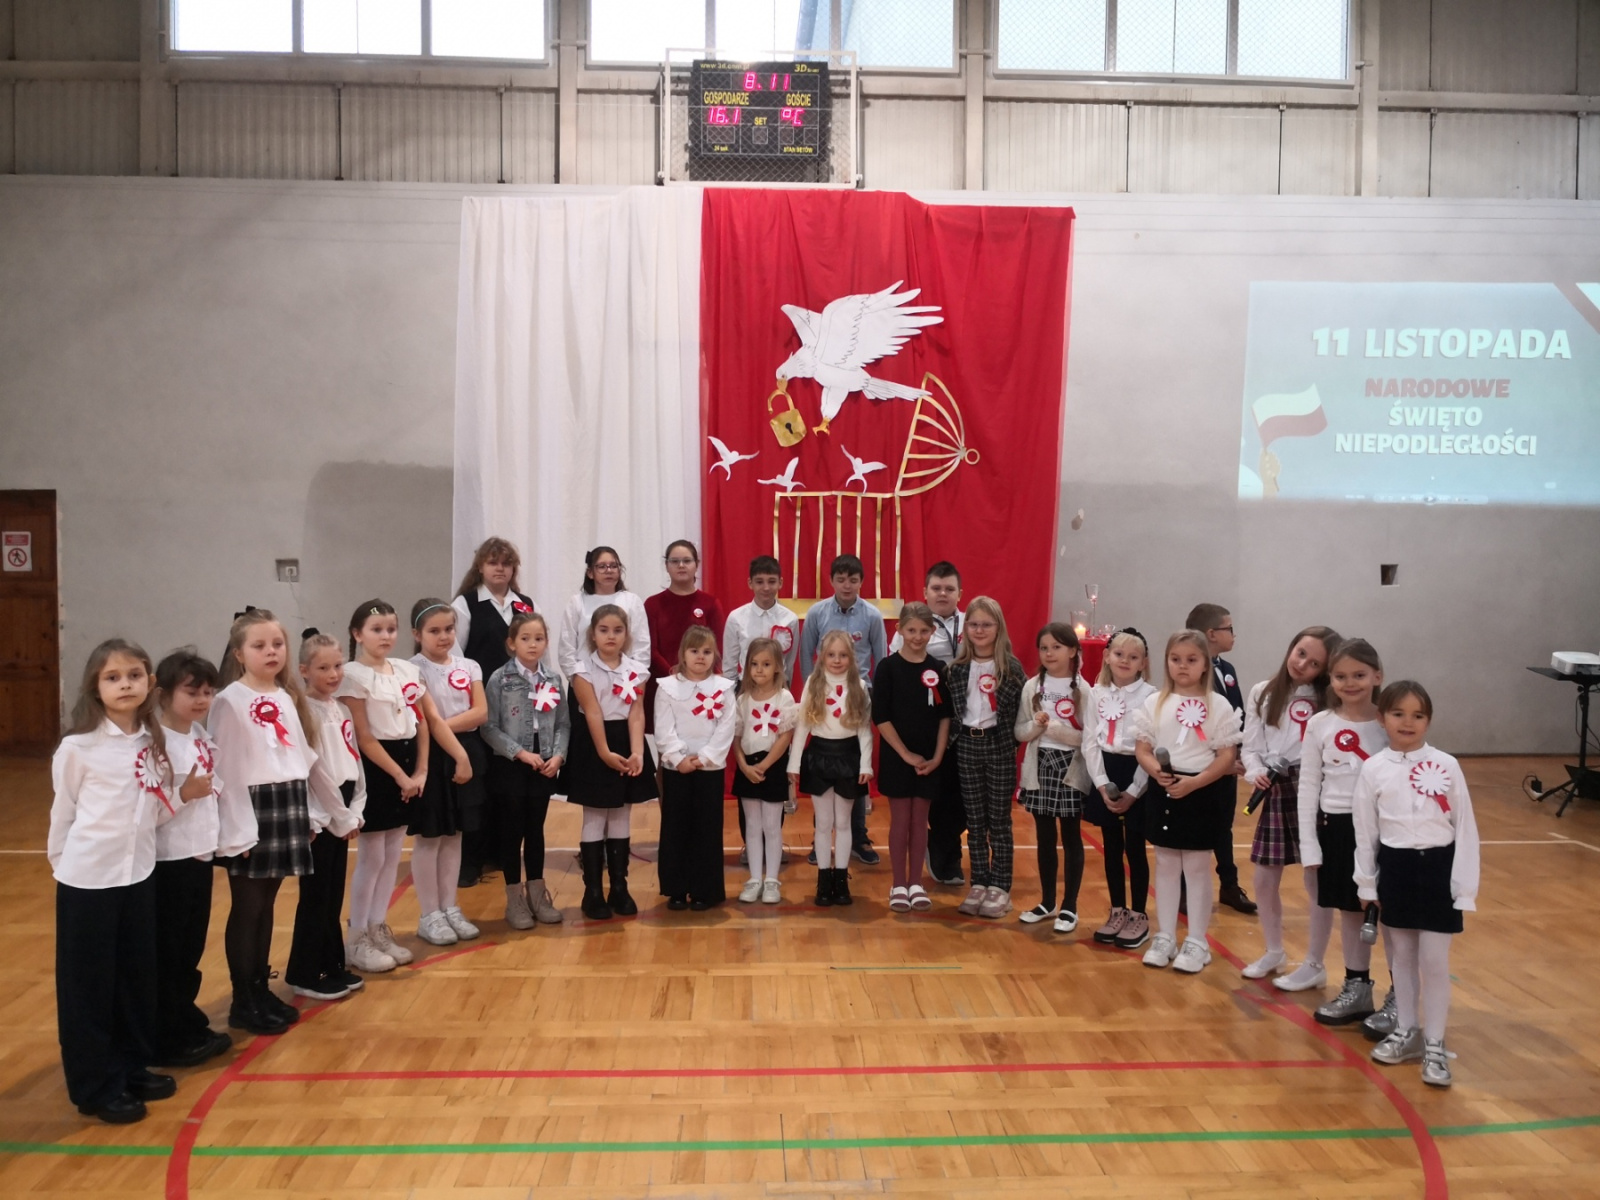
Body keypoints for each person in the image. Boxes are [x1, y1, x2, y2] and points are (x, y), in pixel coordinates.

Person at [49, 640, 183, 1123]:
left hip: (138, 874)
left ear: (150, 682)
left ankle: (129, 1066)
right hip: (88, 882)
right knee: (89, 987)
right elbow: (63, 814)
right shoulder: (78, 748)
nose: (125, 684)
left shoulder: (152, 743)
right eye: (113, 677)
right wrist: (66, 868)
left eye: (134, 675)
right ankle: (95, 1085)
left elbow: (156, 809)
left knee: (133, 977)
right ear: (95, 687)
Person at [211, 610, 332, 1033]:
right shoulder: (229, 700)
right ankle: (243, 998)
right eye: (259, 646)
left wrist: (313, 811)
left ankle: (260, 988)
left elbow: (301, 756)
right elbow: (224, 769)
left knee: (267, 906)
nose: (270, 652)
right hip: (251, 808)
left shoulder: (284, 695)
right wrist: (236, 829)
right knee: (248, 907)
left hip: (286, 801)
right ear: (239, 654)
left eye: (277, 644)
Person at [1356, 681, 1479, 1088]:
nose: (1407, 722)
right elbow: (1366, 832)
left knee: (1434, 961)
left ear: (1429, 720)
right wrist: (1367, 885)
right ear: (1381, 718)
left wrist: (1464, 886)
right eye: (1398, 714)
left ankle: (1435, 1042)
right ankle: (1406, 1030)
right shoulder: (1373, 769)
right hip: (1396, 869)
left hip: (1439, 870)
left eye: (1418, 715)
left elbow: (1465, 827)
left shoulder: (1447, 765)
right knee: (1402, 958)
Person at [1297, 638, 1393, 1030]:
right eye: (1340, 676)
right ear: (1330, 680)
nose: (1349, 683)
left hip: (1386, 831)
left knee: (1391, 916)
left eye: (1359, 675)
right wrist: (1309, 845)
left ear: (1377, 677)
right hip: (1337, 829)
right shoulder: (1320, 724)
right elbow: (1308, 785)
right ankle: (1357, 988)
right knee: (1350, 912)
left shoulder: (1390, 723)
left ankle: (1400, 996)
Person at [1135, 629, 1243, 975]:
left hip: (1202, 789)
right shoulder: (1155, 702)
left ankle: (1197, 940)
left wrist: (1196, 782)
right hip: (1165, 787)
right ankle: (1165, 935)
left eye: (1191, 660)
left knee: (1196, 867)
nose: (1182, 666)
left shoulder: (1218, 705)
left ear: (1205, 664)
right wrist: (1157, 772)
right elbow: (1143, 749)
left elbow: (1226, 756)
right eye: (1175, 659)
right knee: (1166, 863)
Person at [1240, 626, 1340, 984]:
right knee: (1264, 879)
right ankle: (1274, 951)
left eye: (1314, 663)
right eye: (1300, 653)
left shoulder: (1328, 700)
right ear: (1291, 648)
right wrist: (1255, 772)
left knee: (1316, 879)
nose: (1302, 664)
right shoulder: (1262, 692)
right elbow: (1250, 747)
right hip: (1276, 786)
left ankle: (1314, 963)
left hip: (1314, 787)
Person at [148, 649, 233, 1067]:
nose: (201, 700)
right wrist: (184, 794)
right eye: (191, 692)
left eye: (207, 692)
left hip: (199, 856)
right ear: (164, 694)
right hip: (170, 861)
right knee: (170, 952)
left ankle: (184, 1019)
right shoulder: (156, 744)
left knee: (190, 948)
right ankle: (166, 1036)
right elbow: (149, 812)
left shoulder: (199, 734)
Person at [451, 536, 536, 887]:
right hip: (480, 707)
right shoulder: (465, 604)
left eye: (506, 562)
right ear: (480, 567)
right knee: (479, 786)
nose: (500, 568)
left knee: (507, 784)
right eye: (493, 562)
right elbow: (456, 658)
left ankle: (501, 853)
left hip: (516, 708)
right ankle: (470, 860)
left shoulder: (524, 604)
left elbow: (533, 649)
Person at [565, 604, 657, 920]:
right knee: (595, 815)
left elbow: (636, 712)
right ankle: (592, 892)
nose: (611, 636)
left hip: (625, 741)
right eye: (603, 630)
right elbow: (592, 712)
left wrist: (638, 752)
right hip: (595, 744)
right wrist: (604, 752)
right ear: (593, 634)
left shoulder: (636, 670)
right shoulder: (582, 671)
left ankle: (619, 887)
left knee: (621, 813)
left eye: (618, 630)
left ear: (626, 635)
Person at [796, 554, 887, 867]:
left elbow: (880, 657)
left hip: (858, 696)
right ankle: (820, 838)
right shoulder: (817, 613)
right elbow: (806, 654)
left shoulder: (872, 615)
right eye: (841, 579)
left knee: (854, 767)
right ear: (831, 580)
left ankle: (858, 837)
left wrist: (874, 695)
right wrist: (813, 690)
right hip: (823, 694)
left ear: (861, 582)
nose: (847, 585)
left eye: (853, 579)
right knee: (823, 768)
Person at [288, 632, 367, 996]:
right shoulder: (302, 712)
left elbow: (355, 762)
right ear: (304, 670)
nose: (333, 674)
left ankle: (332, 964)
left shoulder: (343, 709)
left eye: (337, 666)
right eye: (323, 668)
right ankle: (304, 973)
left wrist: (357, 807)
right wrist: (338, 816)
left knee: (334, 894)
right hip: (321, 813)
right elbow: (315, 771)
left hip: (344, 806)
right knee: (316, 895)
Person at [406, 599, 485, 947]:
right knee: (430, 836)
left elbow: (480, 712)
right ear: (417, 634)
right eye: (434, 631)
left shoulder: (470, 665)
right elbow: (427, 718)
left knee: (455, 835)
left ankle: (450, 906)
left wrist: (441, 728)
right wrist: (443, 735)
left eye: (449, 629)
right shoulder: (412, 669)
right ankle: (429, 914)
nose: (443, 636)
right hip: (432, 753)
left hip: (465, 749)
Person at [482, 611, 569, 930]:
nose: (533, 644)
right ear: (512, 643)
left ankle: (537, 894)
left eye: (539, 638)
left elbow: (562, 724)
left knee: (536, 830)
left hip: (543, 764)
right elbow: (489, 727)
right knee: (512, 830)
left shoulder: (553, 679)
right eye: (525, 638)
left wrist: (558, 755)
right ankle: (514, 898)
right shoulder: (499, 679)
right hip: (510, 766)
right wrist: (519, 753)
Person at [946, 597, 1026, 920]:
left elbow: (1019, 713)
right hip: (967, 745)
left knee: (999, 821)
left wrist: (1008, 745)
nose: (979, 630)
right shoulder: (956, 669)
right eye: (974, 624)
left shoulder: (1011, 668)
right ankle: (979, 881)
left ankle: (1001, 886)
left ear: (998, 628)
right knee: (975, 821)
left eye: (986, 625)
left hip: (999, 746)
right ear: (966, 628)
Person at [871, 603, 952, 912]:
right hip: (898, 758)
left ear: (933, 632)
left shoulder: (938, 669)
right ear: (900, 630)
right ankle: (898, 884)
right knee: (901, 820)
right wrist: (905, 754)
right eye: (911, 630)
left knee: (920, 820)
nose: (918, 636)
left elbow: (945, 716)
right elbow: (881, 716)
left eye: (924, 631)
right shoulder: (887, 668)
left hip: (929, 760)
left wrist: (937, 757)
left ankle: (916, 882)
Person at [890, 562, 966, 886]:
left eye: (949, 588)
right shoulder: (914, 626)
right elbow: (896, 672)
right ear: (925, 592)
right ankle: (945, 852)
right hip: (928, 723)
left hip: (967, 720)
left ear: (960, 593)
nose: (943, 594)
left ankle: (946, 842)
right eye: (936, 588)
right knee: (937, 791)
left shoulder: (972, 623)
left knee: (962, 795)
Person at [1080, 629, 1158, 949]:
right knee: (1111, 847)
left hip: (1138, 772)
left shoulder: (1151, 697)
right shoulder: (1096, 693)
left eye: (1133, 657)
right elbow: (1090, 741)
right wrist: (1101, 784)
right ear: (1107, 657)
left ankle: (1138, 914)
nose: (1125, 661)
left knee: (1135, 848)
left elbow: (1150, 747)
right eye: (1119, 654)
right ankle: (1117, 910)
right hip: (1106, 770)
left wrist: (1135, 790)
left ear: (1143, 663)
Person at [1015, 623, 1094, 933]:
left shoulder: (1084, 690)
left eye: (1057, 647)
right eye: (1044, 648)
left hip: (1071, 769)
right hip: (1040, 766)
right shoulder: (1032, 686)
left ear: (1072, 651)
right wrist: (1036, 725)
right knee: (1044, 837)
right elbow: (1020, 732)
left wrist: (1060, 731)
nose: (1049, 653)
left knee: (1071, 836)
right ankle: (1047, 902)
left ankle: (1069, 906)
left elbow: (1090, 738)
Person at [788, 629, 874, 908]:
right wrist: (794, 763)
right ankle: (824, 879)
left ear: (852, 657)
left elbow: (865, 730)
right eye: (831, 655)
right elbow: (803, 725)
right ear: (821, 656)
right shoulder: (814, 682)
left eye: (843, 655)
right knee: (824, 823)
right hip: (819, 757)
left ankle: (841, 878)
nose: (837, 660)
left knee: (844, 822)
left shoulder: (859, 686)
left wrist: (866, 764)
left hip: (848, 758)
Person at [654, 626, 738, 910]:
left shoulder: (723, 688)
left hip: (709, 770)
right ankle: (676, 889)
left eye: (707, 651)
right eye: (694, 651)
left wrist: (704, 758)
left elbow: (726, 729)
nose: (700, 657)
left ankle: (704, 890)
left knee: (707, 829)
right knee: (675, 828)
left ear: (715, 656)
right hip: (676, 769)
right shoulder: (667, 687)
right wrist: (679, 759)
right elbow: (663, 728)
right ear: (683, 654)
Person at [1185, 603, 1256, 915]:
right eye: (1230, 628)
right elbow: (1192, 721)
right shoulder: (1192, 672)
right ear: (1212, 633)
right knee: (1193, 829)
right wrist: (1217, 760)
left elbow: (1236, 716)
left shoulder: (1226, 670)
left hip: (1227, 764)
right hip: (1199, 763)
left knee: (1223, 827)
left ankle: (1229, 885)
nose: (1234, 634)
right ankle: (1186, 889)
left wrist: (1240, 753)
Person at [732, 638, 798, 904]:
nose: (759, 670)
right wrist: (744, 766)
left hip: (772, 765)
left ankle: (771, 879)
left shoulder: (784, 697)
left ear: (778, 667)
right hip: (748, 766)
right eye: (754, 664)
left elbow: (785, 736)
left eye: (766, 664)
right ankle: (754, 879)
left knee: (771, 825)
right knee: (752, 825)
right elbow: (736, 738)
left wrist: (765, 765)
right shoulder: (743, 700)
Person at [644, 539, 727, 699]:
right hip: (663, 686)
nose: (681, 565)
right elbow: (650, 650)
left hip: (701, 687)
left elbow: (718, 648)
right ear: (666, 566)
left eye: (687, 561)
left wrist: (699, 677)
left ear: (697, 564)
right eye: (675, 561)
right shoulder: (652, 604)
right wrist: (674, 675)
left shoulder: (710, 604)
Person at [557, 545, 650, 681]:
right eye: (602, 566)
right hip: (585, 679)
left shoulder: (632, 601)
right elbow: (567, 648)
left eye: (613, 566)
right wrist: (577, 679)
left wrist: (634, 679)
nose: (609, 570)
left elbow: (641, 645)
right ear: (590, 573)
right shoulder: (577, 602)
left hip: (625, 681)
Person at [722, 554, 800, 683]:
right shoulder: (736, 618)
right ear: (750, 583)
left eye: (772, 581)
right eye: (759, 582)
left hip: (777, 686)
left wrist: (785, 686)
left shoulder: (790, 619)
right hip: (746, 686)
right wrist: (733, 692)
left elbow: (789, 662)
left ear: (780, 583)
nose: (766, 588)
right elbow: (729, 666)